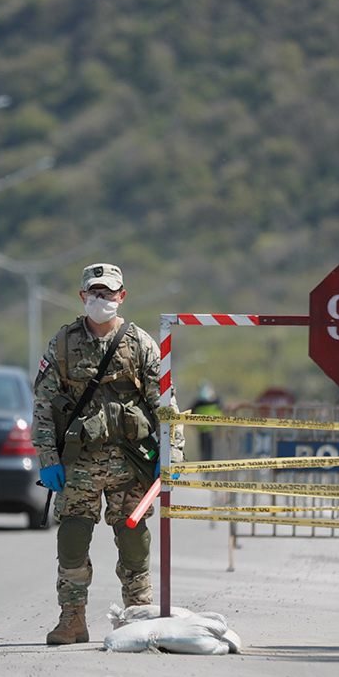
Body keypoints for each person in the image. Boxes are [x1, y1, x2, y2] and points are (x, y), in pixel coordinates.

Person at [33, 263, 184, 645]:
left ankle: (139, 621)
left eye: (109, 293)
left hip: (130, 461)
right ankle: (72, 621)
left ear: (122, 296)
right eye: (94, 293)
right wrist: (48, 459)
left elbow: (165, 402)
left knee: (134, 543)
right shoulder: (63, 343)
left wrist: (174, 453)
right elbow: (44, 406)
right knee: (71, 539)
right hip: (78, 462)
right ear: (83, 296)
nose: (102, 300)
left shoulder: (141, 343)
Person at [190, 383, 223, 461]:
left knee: (215, 449)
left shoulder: (217, 401)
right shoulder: (198, 403)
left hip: (215, 430)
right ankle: (206, 468)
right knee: (204, 450)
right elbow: (189, 414)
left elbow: (222, 412)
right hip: (203, 430)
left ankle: (213, 468)